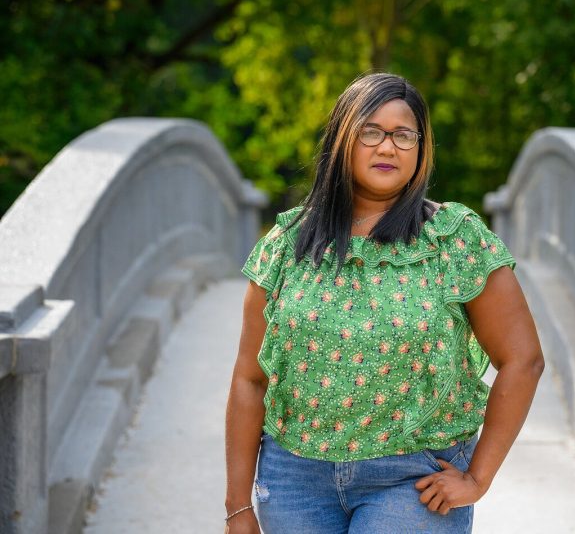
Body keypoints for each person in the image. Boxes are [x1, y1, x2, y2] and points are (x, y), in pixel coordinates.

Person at [224, 72, 545, 534]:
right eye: (370, 132)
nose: (387, 147)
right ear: (342, 142)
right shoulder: (287, 244)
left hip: (413, 479)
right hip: (294, 478)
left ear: (420, 147)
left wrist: (477, 477)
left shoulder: (455, 240)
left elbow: (523, 359)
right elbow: (250, 379)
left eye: (403, 135)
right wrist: (238, 507)